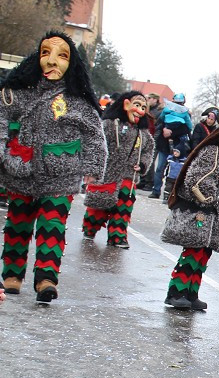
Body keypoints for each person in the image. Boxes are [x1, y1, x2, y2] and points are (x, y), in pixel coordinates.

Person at [0, 31, 106, 302]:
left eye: (61, 55)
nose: (52, 61)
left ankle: (46, 279)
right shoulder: (16, 93)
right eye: (45, 53)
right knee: (18, 224)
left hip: (61, 174)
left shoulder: (78, 101)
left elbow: (94, 134)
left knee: (52, 227)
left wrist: (95, 166)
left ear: (71, 64)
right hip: (20, 171)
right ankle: (12, 275)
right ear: (37, 57)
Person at [161, 117, 219, 310]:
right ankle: (176, 292)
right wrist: (213, 200)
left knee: (204, 254)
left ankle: (191, 292)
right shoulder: (212, 152)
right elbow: (196, 180)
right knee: (193, 252)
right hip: (202, 213)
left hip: (218, 216)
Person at [81, 91, 154, 248]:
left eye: (143, 107)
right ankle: (90, 228)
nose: (140, 110)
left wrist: (142, 164)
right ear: (126, 105)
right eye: (137, 105)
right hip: (107, 173)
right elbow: (96, 144)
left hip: (128, 176)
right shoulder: (108, 124)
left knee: (123, 208)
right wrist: (92, 166)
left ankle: (117, 236)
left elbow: (148, 150)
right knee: (97, 208)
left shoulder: (144, 134)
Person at [149, 93, 192, 199]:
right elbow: (159, 122)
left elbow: (187, 128)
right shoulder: (166, 110)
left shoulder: (186, 113)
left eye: (179, 103)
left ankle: (169, 193)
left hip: (177, 145)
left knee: (174, 170)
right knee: (160, 168)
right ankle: (156, 190)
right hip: (164, 143)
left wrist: (172, 132)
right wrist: (164, 129)